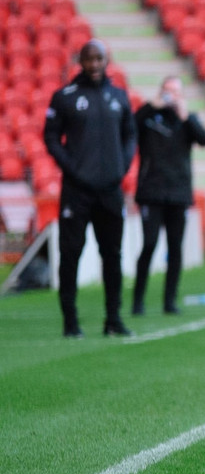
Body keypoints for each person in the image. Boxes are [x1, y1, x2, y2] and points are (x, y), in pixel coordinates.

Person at [43, 39, 136, 338]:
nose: (94, 65)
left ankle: (113, 319)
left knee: (113, 254)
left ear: (107, 61)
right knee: (71, 254)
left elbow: (130, 136)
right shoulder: (65, 97)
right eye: (88, 59)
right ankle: (70, 322)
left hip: (110, 190)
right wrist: (73, 169)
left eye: (99, 59)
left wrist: (121, 167)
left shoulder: (119, 96)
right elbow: (51, 138)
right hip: (76, 190)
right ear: (80, 61)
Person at [132, 75, 205, 315]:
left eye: (175, 91)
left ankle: (170, 300)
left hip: (178, 193)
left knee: (175, 249)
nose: (171, 96)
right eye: (167, 91)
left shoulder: (186, 119)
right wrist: (150, 106)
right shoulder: (148, 117)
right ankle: (138, 300)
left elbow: (204, 139)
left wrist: (185, 115)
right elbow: (129, 127)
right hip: (152, 192)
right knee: (149, 245)